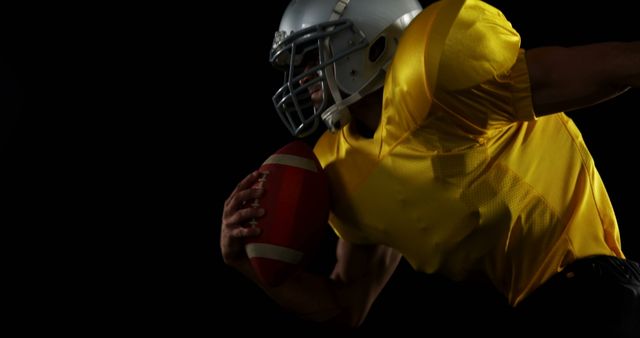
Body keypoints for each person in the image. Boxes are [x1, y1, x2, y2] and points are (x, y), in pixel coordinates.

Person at [221, 0, 640, 335]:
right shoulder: (341, 165)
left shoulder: (437, 73)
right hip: (529, 308)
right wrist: (246, 262)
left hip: (590, 286)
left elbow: (613, 66)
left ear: (373, 43)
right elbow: (347, 305)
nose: (300, 78)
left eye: (311, 56)